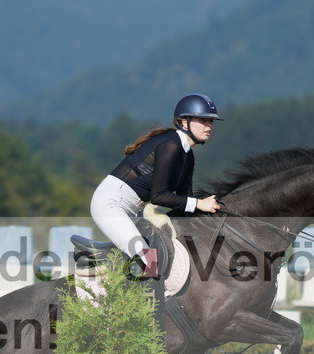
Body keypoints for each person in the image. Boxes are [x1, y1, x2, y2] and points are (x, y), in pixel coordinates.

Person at [90, 93, 223, 276]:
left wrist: (218, 210)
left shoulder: (188, 155)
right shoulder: (171, 145)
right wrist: (200, 204)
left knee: (163, 252)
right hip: (110, 204)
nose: (209, 126)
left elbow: (184, 202)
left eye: (211, 122)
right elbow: (159, 196)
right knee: (149, 262)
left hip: (133, 209)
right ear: (184, 122)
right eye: (203, 120)